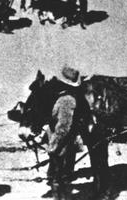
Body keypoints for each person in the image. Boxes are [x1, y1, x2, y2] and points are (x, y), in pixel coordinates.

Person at [46, 66, 87, 200]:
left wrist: (53, 147)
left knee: (59, 181)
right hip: (64, 145)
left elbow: (64, 127)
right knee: (60, 180)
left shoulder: (66, 100)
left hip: (62, 147)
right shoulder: (67, 97)